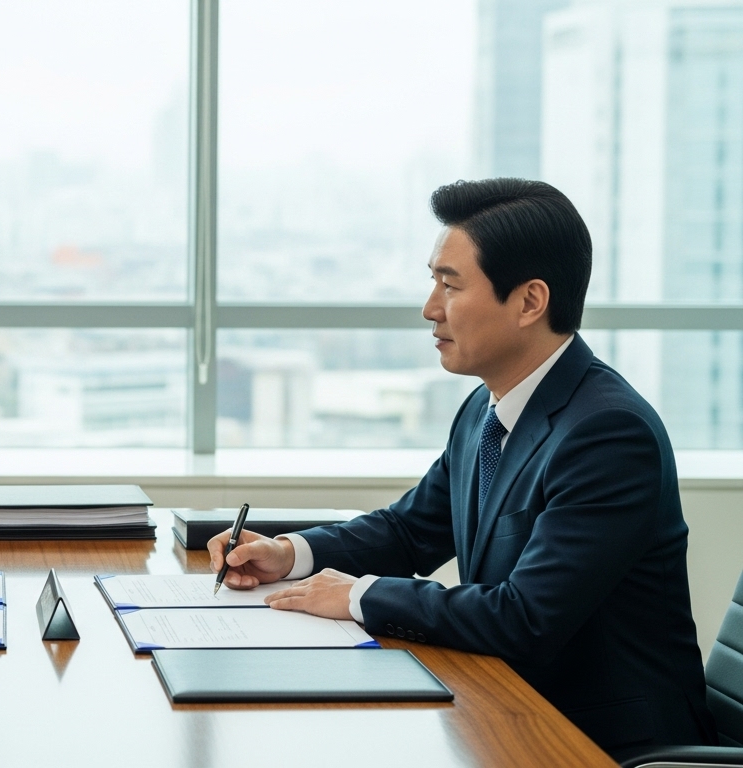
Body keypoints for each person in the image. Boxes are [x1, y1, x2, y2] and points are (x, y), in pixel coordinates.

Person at [208, 178, 716, 756]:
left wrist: (357, 596)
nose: (430, 309)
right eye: (433, 282)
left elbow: (524, 618)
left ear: (529, 301)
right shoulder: (486, 407)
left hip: (601, 744)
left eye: (449, 285)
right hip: (506, 714)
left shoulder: (608, 434)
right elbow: (409, 530)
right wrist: (291, 554)